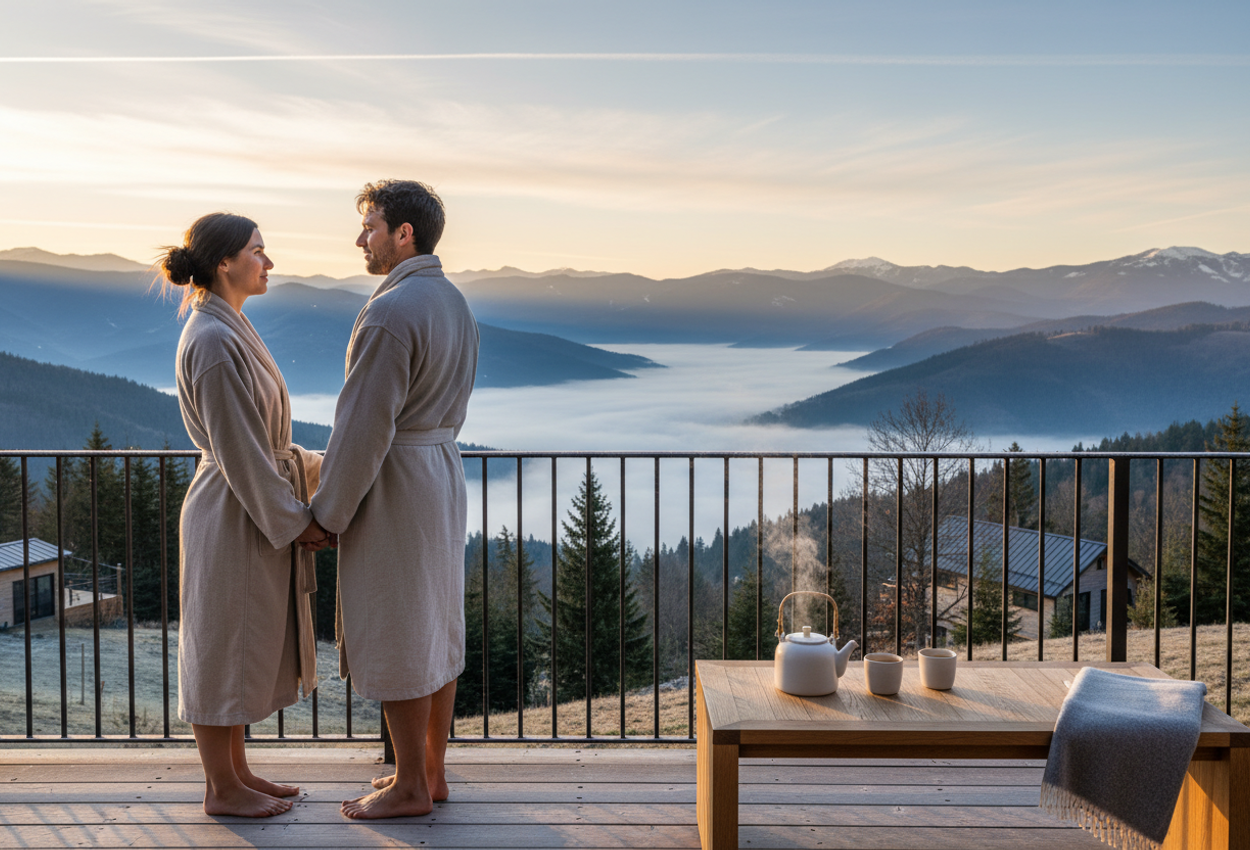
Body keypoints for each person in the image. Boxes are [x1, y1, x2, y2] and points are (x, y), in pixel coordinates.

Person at [310, 180, 479, 819]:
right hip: (439, 475)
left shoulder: (390, 311)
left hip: (398, 484)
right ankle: (430, 773)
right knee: (435, 627)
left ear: (403, 234)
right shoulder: (453, 301)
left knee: (401, 629)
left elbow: (362, 428)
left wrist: (327, 514)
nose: (361, 238)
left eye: (371, 226)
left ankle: (409, 785)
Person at [161, 213, 334, 818]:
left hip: (249, 507)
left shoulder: (228, 327)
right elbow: (241, 452)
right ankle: (221, 790)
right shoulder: (211, 340)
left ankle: (236, 771)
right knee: (220, 647)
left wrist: (319, 469)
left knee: (239, 643)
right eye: (259, 251)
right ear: (224, 263)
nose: (269, 262)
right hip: (233, 512)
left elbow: (268, 446)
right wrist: (298, 521)